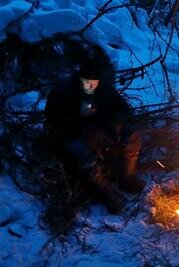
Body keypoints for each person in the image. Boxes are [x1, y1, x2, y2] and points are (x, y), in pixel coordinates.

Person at [45, 59, 144, 214]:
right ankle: (105, 192)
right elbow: (54, 121)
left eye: (94, 81)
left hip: (100, 132)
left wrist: (114, 126)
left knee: (131, 135)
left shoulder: (103, 89)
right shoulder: (62, 91)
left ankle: (127, 177)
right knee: (81, 152)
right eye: (87, 81)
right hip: (71, 136)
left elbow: (123, 109)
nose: (91, 85)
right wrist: (83, 127)